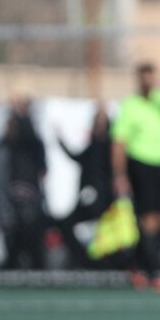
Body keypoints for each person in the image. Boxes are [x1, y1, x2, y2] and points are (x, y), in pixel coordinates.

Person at [111, 62, 160, 292]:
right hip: (141, 164)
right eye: (145, 77)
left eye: (151, 76)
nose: (148, 81)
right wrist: (119, 174)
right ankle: (154, 271)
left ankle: (137, 263)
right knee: (149, 221)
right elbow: (119, 141)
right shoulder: (130, 105)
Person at [55, 102, 114, 267]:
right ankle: (84, 261)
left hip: (104, 201)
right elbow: (76, 156)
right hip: (88, 198)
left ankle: (102, 263)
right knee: (67, 225)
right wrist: (60, 140)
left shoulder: (109, 147)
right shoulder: (92, 146)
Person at [0, 99, 47, 270]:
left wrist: (22, 114)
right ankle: (15, 263)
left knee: (28, 233)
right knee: (16, 234)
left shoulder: (30, 144)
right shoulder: (8, 147)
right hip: (14, 193)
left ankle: (28, 264)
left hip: (27, 191)